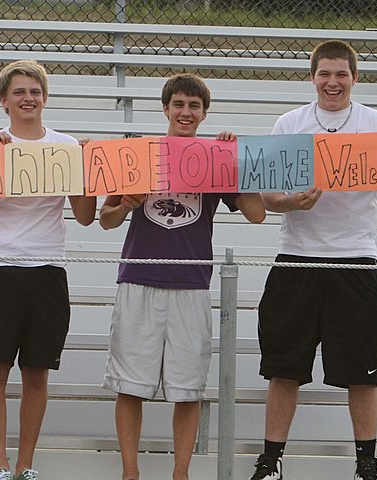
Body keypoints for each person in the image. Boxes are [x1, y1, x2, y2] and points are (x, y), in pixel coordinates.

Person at [248, 40, 377, 480]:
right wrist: (294, 203)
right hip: (297, 259)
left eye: (341, 74)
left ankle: (366, 463)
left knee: (363, 372)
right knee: (283, 368)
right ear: (313, 77)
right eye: (325, 73)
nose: (333, 82)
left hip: (355, 260)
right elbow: (269, 199)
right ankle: (271, 460)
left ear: (354, 78)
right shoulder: (290, 123)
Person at [99, 73, 266, 480]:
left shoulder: (214, 156)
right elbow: (105, 220)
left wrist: (237, 162)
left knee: (188, 387)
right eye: (178, 105)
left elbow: (257, 213)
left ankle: (181, 472)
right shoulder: (138, 153)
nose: (186, 112)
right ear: (165, 109)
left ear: (205, 113)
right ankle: (130, 471)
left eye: (194, 106)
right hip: (138, 278)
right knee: (129, 384)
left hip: (191, 283)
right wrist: (125, 203)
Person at [0, 60, 96, 480]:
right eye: (19, 92)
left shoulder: (65, 145)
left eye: (35, 91)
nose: (28, 98)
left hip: (48, 268)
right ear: (3, 100)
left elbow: (84, 216)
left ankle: (26, 463)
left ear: (45, 98)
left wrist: (85, 169)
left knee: (37, 370)